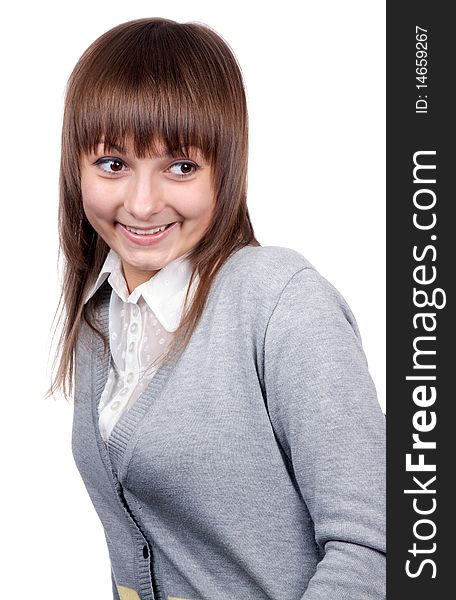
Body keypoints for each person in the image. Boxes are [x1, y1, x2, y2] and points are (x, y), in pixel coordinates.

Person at [48, 16, 386, 600]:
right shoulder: (99, 317)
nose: (142, 203)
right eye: (113, 164)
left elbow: (377, 544)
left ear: (224, 169)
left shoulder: (282, 302)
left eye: (181, 166)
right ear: (76, 166)